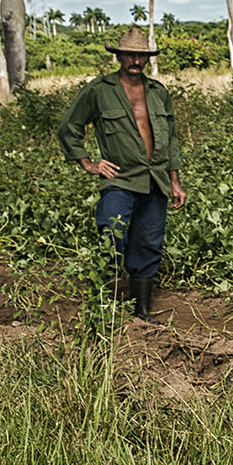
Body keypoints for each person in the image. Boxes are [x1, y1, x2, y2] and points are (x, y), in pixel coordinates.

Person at [56, 28, 187, 321]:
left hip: (155, 179)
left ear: (147, 59)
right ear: (118, 56)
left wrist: (174, 181)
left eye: (140, 56)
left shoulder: (158, 92)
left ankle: (141, 313)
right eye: (129, 54)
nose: (135, 61)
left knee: (149, 241)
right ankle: (98, 304)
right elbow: (69, 127)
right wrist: (88, 162)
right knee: (112, 235)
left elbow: (172, 139)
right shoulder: (100, 90)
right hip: (120, 179)